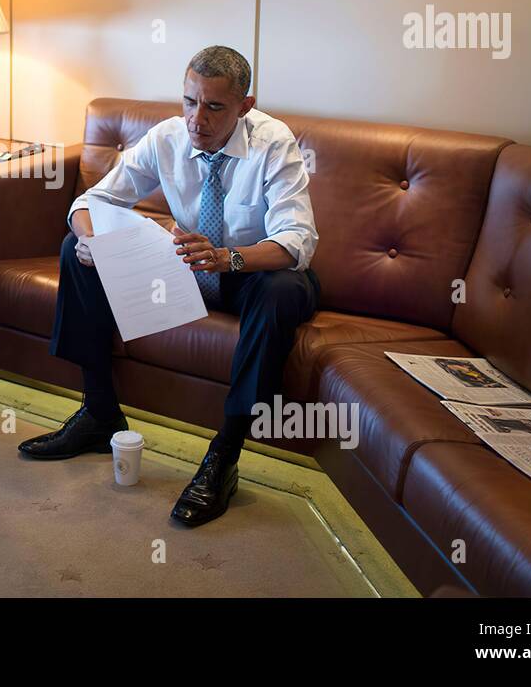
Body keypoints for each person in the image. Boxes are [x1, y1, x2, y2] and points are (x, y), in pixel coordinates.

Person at [18, 45, 320, 528]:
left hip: (250, 271)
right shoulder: (167, 137)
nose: (197, 119)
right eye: (189, 102)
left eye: (214, 107)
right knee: (76, 254)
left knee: (282, 289)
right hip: (188, 265)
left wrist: (228, 258)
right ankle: (98, 413)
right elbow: (90, 201)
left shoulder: (274, 143)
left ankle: (225, 453)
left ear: (244, 106)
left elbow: (297, 240)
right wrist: (93, 241)